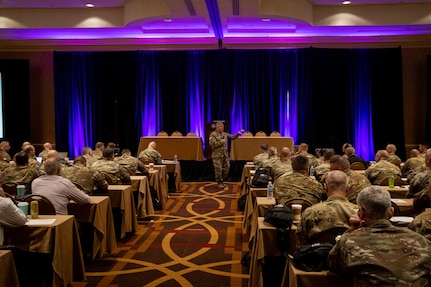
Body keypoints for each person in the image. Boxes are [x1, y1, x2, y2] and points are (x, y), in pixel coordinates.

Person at [328, 186, 431, 286]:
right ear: (391, 212)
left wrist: (353, 229)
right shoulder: (421, 240)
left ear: (361, 212)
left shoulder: (350, 240)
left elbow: (333, 263)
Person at [296, 170, 357, 247]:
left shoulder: (310, 212)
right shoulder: (358, 214)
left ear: (325, 188)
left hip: (318, 257)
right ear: (348, 188)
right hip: (349, 257)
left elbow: (300, 244)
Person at [209, 121, 244, 189]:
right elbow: (212, 144)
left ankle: (222, 180)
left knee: (227, 168)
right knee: (218, 169)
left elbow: (232, 137)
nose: (222, 128)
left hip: (225, 155)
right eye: (221, 126)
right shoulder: (213, 135)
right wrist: (220, 142)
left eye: (223, 127)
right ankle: (219, 182)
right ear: (217, 127)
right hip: (217, 155)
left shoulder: (224, 134)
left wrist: (238, 133)